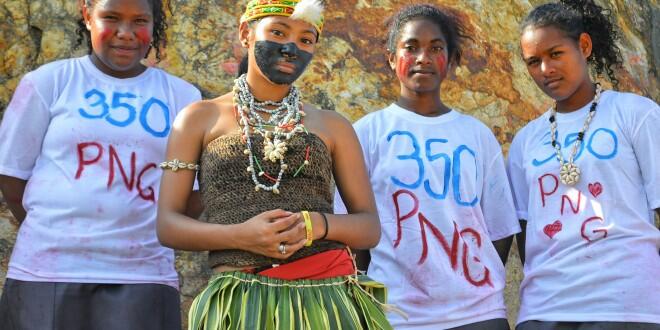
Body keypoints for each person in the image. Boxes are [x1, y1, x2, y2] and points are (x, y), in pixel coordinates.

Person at [156, 0, 392, 329]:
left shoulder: (333, 126)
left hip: (327, 301)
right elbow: (168, 225)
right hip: (238, 302)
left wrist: (315, 225)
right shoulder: (199, 118)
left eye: (305, 40)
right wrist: (240, 236)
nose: (291, 47)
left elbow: (368, 228)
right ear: (245, 33)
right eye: (278, 32)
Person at [0, 0, 201, 329]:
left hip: (143, 275)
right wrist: (59, 232)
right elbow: (11, 176)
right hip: (47, 271)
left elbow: (191, 195)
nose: (125, 33)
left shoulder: (182, 97)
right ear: (87, 16)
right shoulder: (49, 82)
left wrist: (151, 234)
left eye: (139, 21)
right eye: (111, 18)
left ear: (154, 24)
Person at [335, 4, 520, 329]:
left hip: (478, 315)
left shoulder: (476, 135)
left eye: (436, 48)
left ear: (450, 59)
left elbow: (498, 230)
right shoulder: (366, 133)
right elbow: (353, 233)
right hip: (397, 316)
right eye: (411, 47)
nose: (423, 57)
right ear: (392, 58)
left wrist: (471, 285)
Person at [508, 0, 660, 329]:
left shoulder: (635, 114)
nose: (545, 69)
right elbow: (524, 231)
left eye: (555, 54)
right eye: (533, 62)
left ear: (584, 46)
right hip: (545, 308)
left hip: (625, 304)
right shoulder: (524, 141)